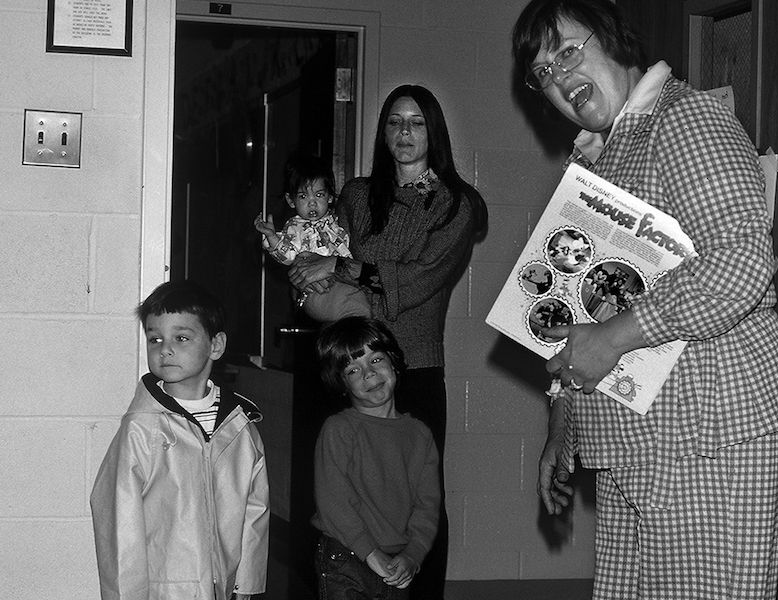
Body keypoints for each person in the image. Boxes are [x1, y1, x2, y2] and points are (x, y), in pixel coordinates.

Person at [512, 1, 778, 599]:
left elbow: (743, 264)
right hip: (638, 446)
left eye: (566, 51)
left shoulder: (685, 120)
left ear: (613, 37)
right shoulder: (596, 154)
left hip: (709, 437)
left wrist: (613, 337)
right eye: (541, 72)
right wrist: (562, 423)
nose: (558, 77)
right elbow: (580, 315)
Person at [289, 84, 488, 600]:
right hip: (347, 361)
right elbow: (319, 253)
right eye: (395, 122)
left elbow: (421, 280)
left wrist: (346, 267)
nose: (404, 132)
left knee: (419, 498)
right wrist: (308, 272)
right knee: (337, 491)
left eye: (416, 122)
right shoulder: (356, 195)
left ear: (434, 132)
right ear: (382, 131)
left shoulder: (455, 206)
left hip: (415, 366)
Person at [90, 280, 270, 600]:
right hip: (162, 591)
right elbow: (118, 523)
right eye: (155, 339)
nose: (165, 349)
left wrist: (246, 584)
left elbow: (255, 511)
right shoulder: (141, 428)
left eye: (181, 337)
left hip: (222, 589)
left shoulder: (241, 427)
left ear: (216, 345)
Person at [312, 316, 441, 600]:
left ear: (393, 362)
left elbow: (427, 506)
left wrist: (413, 555)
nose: (368, 374)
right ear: (342, 384)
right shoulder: (339, 429)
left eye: (375, 360)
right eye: (353, 370)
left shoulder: (419, 434)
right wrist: (370, 553)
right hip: (346, 556)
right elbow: (334, 503)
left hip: (398, 562)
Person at [254, 155, 371, 322]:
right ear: (290, 200)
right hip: (319, 288)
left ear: (330, 197)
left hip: (345, 279)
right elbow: (287, 256)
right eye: (303, 196)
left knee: (360, 303)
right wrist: (272, 236)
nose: (312, 203)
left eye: (319, 195)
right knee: (356, 311)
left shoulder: (334, 221)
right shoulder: (295, 227)